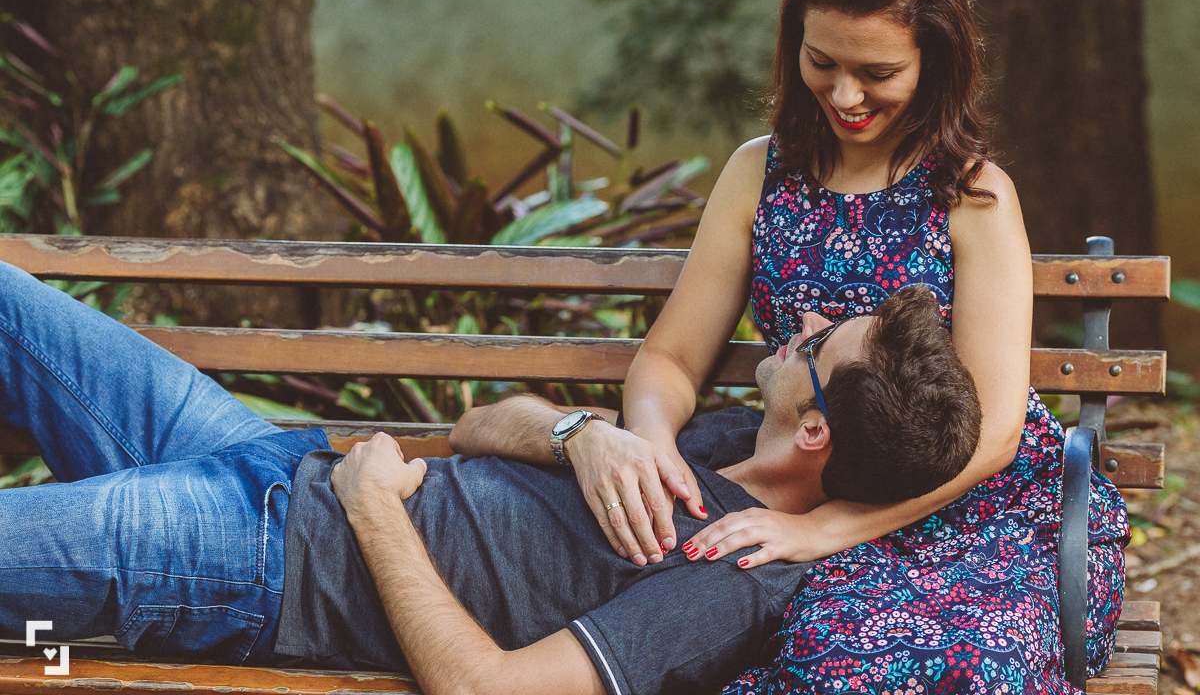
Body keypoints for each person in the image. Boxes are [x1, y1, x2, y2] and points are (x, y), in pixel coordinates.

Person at [562, 0, 1130, 692]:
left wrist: (825, 529)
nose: (846, 94)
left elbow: (994, 434)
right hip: (809, 475)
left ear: (936, 59)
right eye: (822, 61)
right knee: (797, 640)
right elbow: (670, 356)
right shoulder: (759, 174)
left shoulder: (973, 197)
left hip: (972, 512)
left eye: (879, 72)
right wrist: (652, 437)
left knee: (966, 660)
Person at [0, 260, 978, 695]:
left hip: (254, 560)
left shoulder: (732, 579)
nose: (793, 328)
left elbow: (488, 687)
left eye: (811, 342)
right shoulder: (713, 435)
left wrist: (375, 507)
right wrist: (578, 432)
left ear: (814, 428)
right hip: (264, 455)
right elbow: (477, 423)